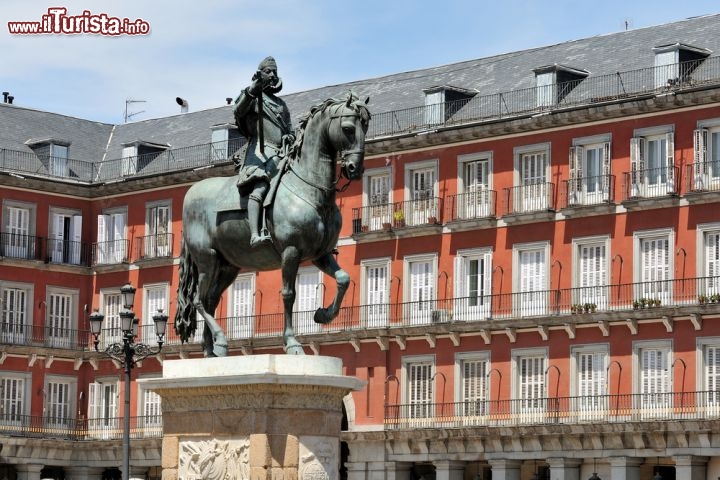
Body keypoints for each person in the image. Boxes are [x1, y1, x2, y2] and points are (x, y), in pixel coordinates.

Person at [232, 56, 294, 248]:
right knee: (260, 187)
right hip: (260, 153)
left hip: (281, 153)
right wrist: (253, 90)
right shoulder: (252, 97)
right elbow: (238, 111)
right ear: (260, 74)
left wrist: (289, 138)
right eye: (268, 71)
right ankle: (254, 234)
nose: (273, 74)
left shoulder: (281, 105)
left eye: (275, 71)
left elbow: (290, 130)